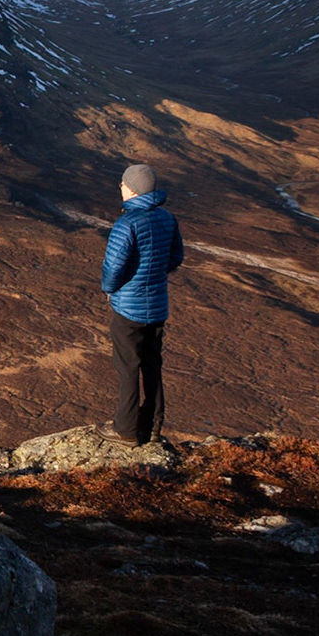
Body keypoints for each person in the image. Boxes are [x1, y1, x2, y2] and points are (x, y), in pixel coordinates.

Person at [98, 162, 183, 446]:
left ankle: (126, 429)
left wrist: (109, 289)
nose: (120, 188)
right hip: (157, 306)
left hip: (128, 309)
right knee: (152, 365)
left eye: (123, 184)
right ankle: (154, 425)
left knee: (127, 368)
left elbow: (114, 267)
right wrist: (153, 276)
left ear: (132, 189)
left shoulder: (127, 223)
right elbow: (175, 257)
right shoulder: (167, 218)